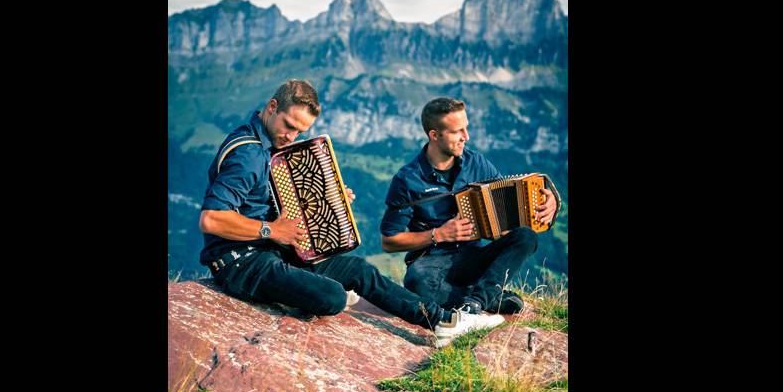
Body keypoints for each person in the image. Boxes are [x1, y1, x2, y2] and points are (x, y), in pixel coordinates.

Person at [199, 80, 504, 347]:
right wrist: (272, 231)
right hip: (240, 261)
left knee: (359, 270)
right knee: (331, 297)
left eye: (301, 130)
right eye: (289, 125)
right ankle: (294, 288)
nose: (292, 136)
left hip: (270, 252)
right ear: (272, 106)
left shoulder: (268, 145)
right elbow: (211, 219)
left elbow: (270, 200)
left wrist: (328, 199)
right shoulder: (248, 154)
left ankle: (443, 322)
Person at [380, 97, 561, 315]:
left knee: (526, 236)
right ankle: (488, 299)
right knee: (416, 280)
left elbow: (509, 204)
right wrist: (439, 234)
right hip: (432, 264)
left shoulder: (476, 163)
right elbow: (389, 241)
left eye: (466, 128)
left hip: (473, 258)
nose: (466, 137)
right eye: (458, 131)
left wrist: (548, 202)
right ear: (434, 135)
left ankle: (475, 301)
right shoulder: (407, 179)